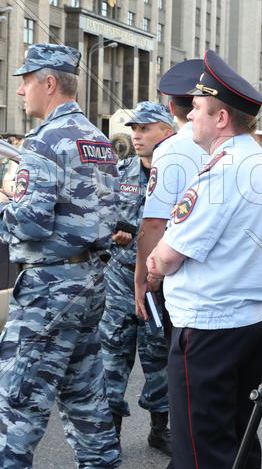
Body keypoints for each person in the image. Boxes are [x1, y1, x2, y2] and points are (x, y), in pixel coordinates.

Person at [0, 44, 121, 469]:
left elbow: (32, 222)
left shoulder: (44, 141)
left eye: (26, 81)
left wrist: (1, 206)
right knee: (85, 397)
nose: (21, 91)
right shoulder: (98, 140)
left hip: (49, 290)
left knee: (10, 409)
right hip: (90, 283)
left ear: (50, 83)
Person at [146, 50, 262, 468]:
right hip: (252, 321)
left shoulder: (223, 171)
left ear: (221, 118)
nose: (189, 115)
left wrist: (155, 261)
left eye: (197, 108)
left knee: (201, 451)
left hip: (210, 328)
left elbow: (167, 257)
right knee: (239, 442)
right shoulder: (261, 163)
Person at [98, 101, 175, 455]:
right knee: (112, 355)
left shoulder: (179, 173)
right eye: (134, 129)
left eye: (145, 128)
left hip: (160, 284)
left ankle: (160, 429)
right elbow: (98, 217)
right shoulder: (119, 172)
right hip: (120, 279)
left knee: (159, 355)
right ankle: (109, 434)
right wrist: (113, 232)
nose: (136, 135)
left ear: (167, 131)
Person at [133, 60, 207, 325]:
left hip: (180, 275)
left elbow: (155, 222)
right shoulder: (226, 144)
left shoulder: (171, 148)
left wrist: (141, 278)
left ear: (172, 109)